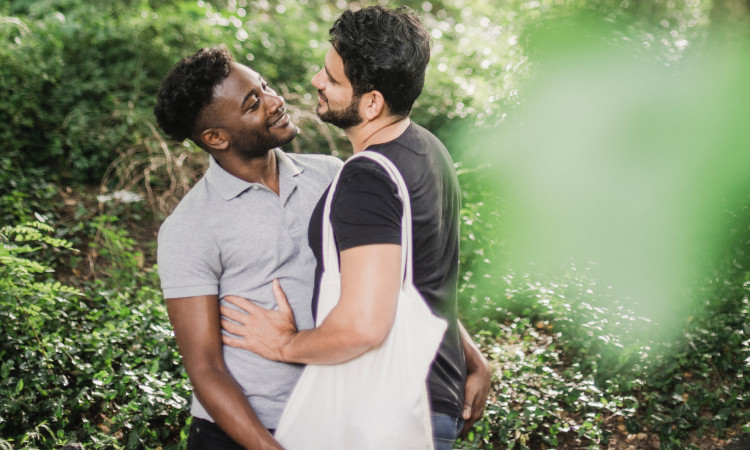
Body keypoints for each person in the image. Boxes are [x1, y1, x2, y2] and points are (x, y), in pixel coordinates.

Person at [220, 6, 491, 449]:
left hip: (388, 413)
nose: (316, 82)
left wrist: (285, 344)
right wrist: (470, 355)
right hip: (431, 397)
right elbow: (421, 280)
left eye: (332, 78)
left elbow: (364, 325)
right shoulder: (428, 149)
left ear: (371, 103)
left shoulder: (368, 179)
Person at [153, 45, 343, 449]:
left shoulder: (331, 176)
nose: (276, 101)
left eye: (266, 86)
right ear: (216, 137)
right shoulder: (189, 228)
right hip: (240, 435)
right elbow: (205, 369)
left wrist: (468, 356)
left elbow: (395, 277)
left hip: (334, 421)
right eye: (254, 102)